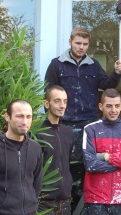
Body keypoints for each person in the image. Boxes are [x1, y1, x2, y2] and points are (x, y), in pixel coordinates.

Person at [44, 27, 121, 212]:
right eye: (78, 43)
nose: (81, 47)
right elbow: (49, 94)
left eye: (85, 44)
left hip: (89, 124)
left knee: (86, 167)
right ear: (70, 41)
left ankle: (83, 207)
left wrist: (117, 73)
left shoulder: (94, 65)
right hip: (64, 125)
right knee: (64, 166)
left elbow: (106, 86)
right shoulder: (56, 65)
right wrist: (52, 123)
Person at [82, 88, 121, 215]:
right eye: (109, 106)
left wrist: (108, 157)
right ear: (101, 106)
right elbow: (90, 164)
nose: (113, 110)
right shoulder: (90, 129)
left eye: (116, 106)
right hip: (96, 200)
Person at [37, 86, 73, 215]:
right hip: (43, 203)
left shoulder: (68, 132)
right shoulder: (36, 131)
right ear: (46, 103)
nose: (62, 105)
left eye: (65, 101)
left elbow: (67, 163)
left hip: (65, 202)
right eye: (57, 101)